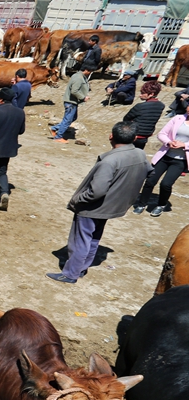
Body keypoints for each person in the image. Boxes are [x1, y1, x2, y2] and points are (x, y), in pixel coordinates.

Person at [47, 121, 149, 284]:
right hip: (113, 205)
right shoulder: (140, 155)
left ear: (111, 136)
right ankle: (81, 268)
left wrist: (77, 199)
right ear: (135, 138)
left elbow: (97, 191)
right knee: (94, 237)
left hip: (93, 207)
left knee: (81, 240)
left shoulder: (109, 161)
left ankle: (71, 274)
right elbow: (149, 172)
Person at [132, 109, 189, 217]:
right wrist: (168, 142)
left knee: (166, 184)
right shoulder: (178, 118)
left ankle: (161, 205)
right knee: (150, 181)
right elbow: (162, 134)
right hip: (165, 156)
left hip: (180, 160)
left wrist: (184, 145)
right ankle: (142, 204)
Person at [50, 65, 92, 143]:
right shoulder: (79, 78)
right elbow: (74, 91)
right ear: (86, 70)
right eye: (90, 71)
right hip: (70, 102)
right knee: (68, 119)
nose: (90, 73)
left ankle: (55, 128)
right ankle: (58, 137)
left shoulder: (77, 76)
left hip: (72, 102)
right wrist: (83, 97)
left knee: (73, 118)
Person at [123, 81, 165, 150]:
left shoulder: (140, 106)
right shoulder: (161, 106)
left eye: (143, 93)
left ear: (151, 94)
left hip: (133, 135)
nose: (140, 95)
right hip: (145, 136)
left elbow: (126, 119)